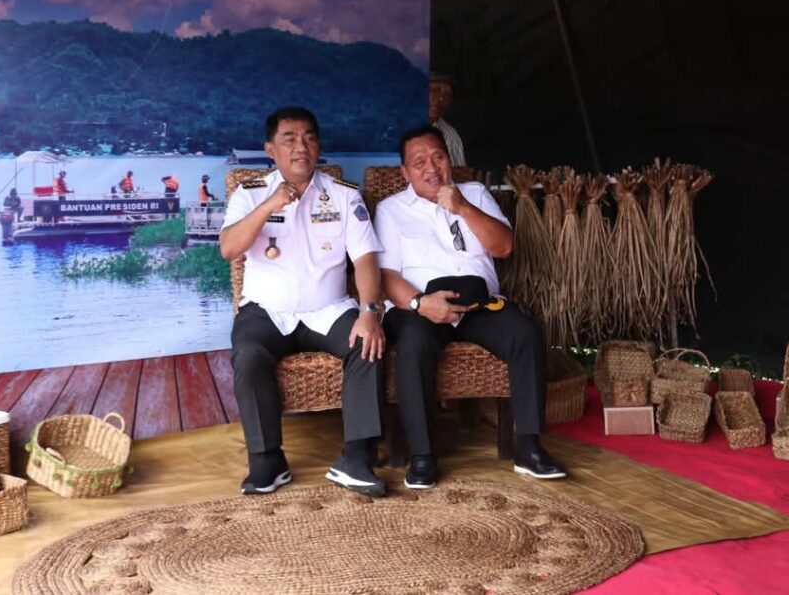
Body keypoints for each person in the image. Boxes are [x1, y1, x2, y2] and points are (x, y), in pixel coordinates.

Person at [374, 124, 566, 489]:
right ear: (405, 172)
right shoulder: (390, 209)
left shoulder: (474, 193)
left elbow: (504, 247)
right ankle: (422, 456)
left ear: (449, 160)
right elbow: (386, 276)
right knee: (413, 343)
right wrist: (420, 303)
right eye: (419, 162)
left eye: (438, 157)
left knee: (524, 332)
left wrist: (461, 206)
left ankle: (529, 448)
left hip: (479, 305)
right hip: (421, 307)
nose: (431, 168)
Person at [219, 106, 387, 497]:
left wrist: (369, 311)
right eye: (290, 139)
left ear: (318, 146)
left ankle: (356, 458)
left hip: (329, 309)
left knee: (368, 343)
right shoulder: (250, 193)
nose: (301, 147)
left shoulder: (344, 196)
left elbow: (366, 259)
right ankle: (267, 461)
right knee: (248, 354)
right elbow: (229, 249)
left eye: (309, 137)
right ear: (270, 150)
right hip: (267, 311)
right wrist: (268, 206)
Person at [429, 72, 466, 167]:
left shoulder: (451, 136)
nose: (441, 99)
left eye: (447, 95)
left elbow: (459, 173)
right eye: (435, 90)